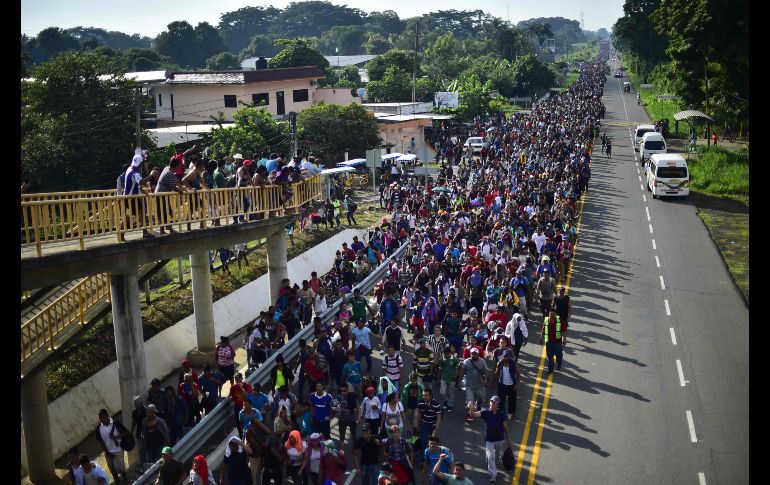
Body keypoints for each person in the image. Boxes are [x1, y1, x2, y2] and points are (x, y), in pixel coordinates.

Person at [469, 396, 512, 482]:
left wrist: (509, 440)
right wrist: (471, 407)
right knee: (491, 456)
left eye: (494, 402)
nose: (492, 404)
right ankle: (493, 475)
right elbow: (473, 414)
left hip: (499, 439)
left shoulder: (501, 414)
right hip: (489, 439)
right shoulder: (486, 412)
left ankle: (493, 464)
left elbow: (506, 428)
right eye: (491, 402)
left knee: (496, 457)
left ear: (497, 405)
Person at [94, 409, 130, 484]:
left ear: (107, 416)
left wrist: (116, 437)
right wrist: (107, 452)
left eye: (103, 417)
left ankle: (125, 480)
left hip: (118, 449)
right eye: (100, 418)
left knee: (121, 468)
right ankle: (117, 482)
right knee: (112, 469)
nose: (102, 420)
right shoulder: (99, 428)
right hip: (108, 452)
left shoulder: (116, 423)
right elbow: (100, 442)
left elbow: (126, 432)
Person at [457, 348, 488, 422]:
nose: (473, 355)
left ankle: (479, 404)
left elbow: (485, 370)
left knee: (480, 398)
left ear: (478, 354)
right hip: (469, 386)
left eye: (475, 354)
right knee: (470, 401)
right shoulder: (466, 361)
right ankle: (470, 414)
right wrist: (460, 381)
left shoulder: (482, 361)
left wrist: (485, 379)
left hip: (479, 385)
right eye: (472, 354)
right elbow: (462, 371)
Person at [414, 389, 443, 465]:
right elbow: (419, 414)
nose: (424, 397)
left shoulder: (436, 404)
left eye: (426, 395)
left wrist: (435, 431)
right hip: (424, 425)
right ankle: (423, 461)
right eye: (423, 395)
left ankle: (433, 458)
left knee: (433, 444)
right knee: (423, 442)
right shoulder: (420, 402)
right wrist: (417, 425)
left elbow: (439, 418)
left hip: (433, 426)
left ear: (430, 396)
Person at [541, 308, 565, 373]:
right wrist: (541, 339)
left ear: (556, 315)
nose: (552, 316)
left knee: (559, 356)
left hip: (558, 343)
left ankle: (559, 363)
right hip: (549, 343)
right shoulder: (546, 321)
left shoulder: (559, 321)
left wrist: (564, 339)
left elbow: (563, 331)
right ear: (549, 314)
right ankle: (550, 369)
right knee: (549, 357)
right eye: (550, 314)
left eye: (553, 314)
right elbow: (543, 330)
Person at [438, 346, 459, 412]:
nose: (445, 355)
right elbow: (440, 369)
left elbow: (457, 367)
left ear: (450, 353)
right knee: (442, 392)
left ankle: (450, 405)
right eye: (444, 354)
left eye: (447, 354)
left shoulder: (455, 359)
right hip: (443, 377)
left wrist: (456, 375)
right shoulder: (442, 359)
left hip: (452, 378)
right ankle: (446, 400)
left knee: (451, 392)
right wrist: (438, 378)